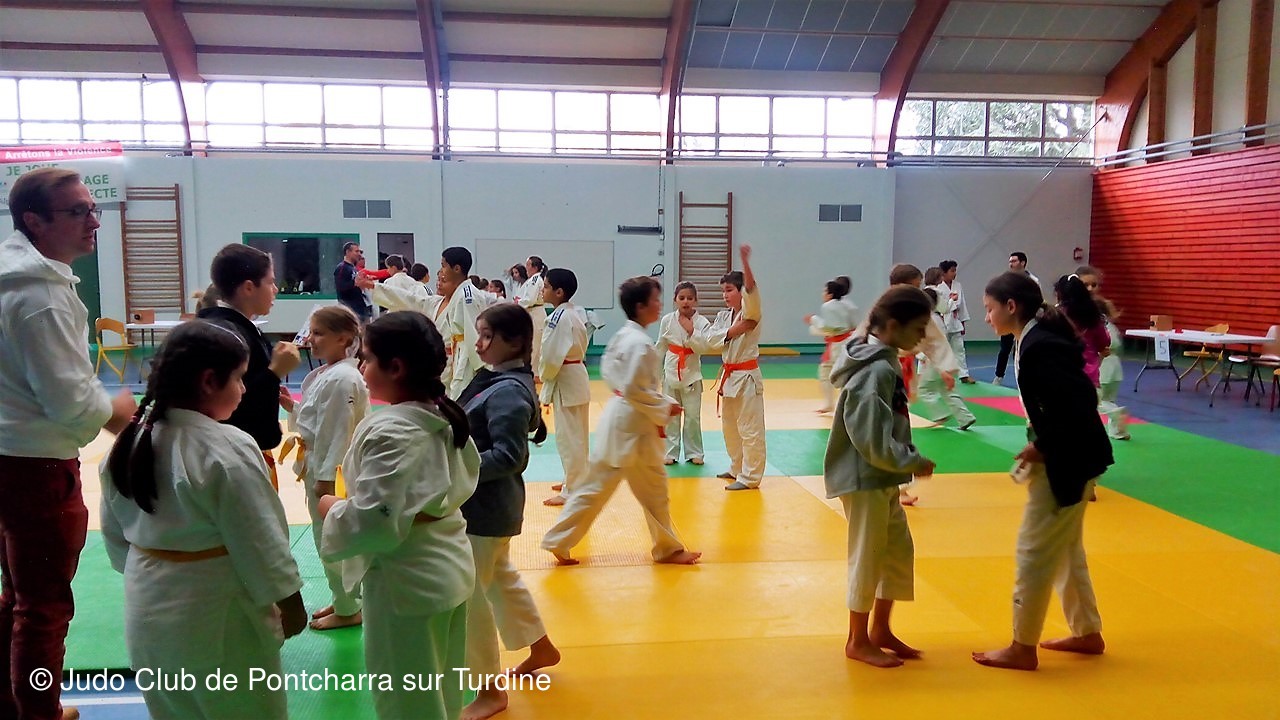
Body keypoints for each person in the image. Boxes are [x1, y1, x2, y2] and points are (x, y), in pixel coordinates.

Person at [99, 321, 306, 719]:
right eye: (239, 378)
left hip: (147, 602)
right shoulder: (227, 449)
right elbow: (261, 539)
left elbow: (116, 539)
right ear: (210, 381)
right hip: (216, 612)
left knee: (173, 709)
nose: (243, 389)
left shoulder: (130, 442)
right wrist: (290, 602)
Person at [0, 168, 137, 720]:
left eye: (92, 209)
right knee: (44, 605)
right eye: (77, 211)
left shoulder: (18, 279)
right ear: (34, 221)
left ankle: (14, 705)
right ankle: (40, 710)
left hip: (11, 455)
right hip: (36, 466)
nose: (93, 221)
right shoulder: (41, 298)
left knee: (18, 594)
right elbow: (70, 405)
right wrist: (116, 411)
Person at [317, 311, 480, 720]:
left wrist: (332, 508)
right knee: (441, 693)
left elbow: (373, 520)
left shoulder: (393, 431)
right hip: (448, 567)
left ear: (396, 367)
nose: (362, 367)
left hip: (407, 583)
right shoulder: (442, 414)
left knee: (408, 703)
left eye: (368, 358)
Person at [973, 271, 1112, 671]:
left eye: (989, 309)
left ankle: (1022, 645)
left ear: (1011, 306)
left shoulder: (1041, 346)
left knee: (1033, 550)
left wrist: (1044, 446)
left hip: (1067, 459)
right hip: (1069, 453)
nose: (986, 317)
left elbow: (1080, 403)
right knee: (1066, 550)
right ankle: (1086, 632)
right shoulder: (1032, 339)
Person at [541, 277, 701, 566]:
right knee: (650, 492)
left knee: (599, 488)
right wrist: (665, 405)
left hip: (618, 418)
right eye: (654, 300)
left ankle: (559, 540)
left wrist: (658, 403)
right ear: (640, 307)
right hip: (634, 425)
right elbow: (634, 389)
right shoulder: (641, 345)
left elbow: (613, 376)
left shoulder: (623, 336)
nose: (659, 305)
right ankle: (667, 549)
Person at [457, 304, 560, 720]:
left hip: (484, 509)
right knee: (499, 580)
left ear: (514, 342)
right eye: (479, 335)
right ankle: (541, 647)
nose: (480, 344)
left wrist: (452, 471)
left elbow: (510, 456)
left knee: (469, 598)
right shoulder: (497, 380)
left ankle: (490, 690)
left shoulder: (509, 392)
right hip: (488, 507)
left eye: (488, 336)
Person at [825, 286, 937, 668]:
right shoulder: (874, 371)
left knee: (896, 551)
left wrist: (903, 464)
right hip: (864, 477)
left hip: (883, 476)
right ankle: (856, 639)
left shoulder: (885, 361)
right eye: (917, 328)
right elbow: (870, 438)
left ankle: (880, 630)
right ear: (891, 325)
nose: (921, 337)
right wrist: (910, 461)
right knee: (868, 556)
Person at [279, 305, 370, 631]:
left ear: (343, 338)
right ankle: (344, 598)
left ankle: (349, 608)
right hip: (319, 463)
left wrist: (327, 480)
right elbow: (320, 420)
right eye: (311, 332)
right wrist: (293, 408)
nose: (310, 339)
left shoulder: (343, 378)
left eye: (319, 333)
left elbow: (338, 432)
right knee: (326, 538)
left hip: (333, 473)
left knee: (333, 540)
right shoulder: (331, 374)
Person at [198, 244, 301, 488]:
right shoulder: (229, 335)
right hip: (230, 456)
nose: (275, 289)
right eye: (270, 282)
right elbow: (233, 404)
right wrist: (274, 373)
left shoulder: (229, 327)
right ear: (248, 288)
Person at [706, 245, 766, 491]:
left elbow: (751, 288)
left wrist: (745, 262)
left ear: (741, 291)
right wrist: (732, 331)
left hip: (746, 376)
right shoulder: (725, 316)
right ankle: (737, 467)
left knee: (750, 429)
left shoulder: (752, 312)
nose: (725, 295)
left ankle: (750, 477)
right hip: (729, 376)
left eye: (729, 290)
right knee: (730, 428)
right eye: (723, 291)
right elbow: (710, 339)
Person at [537, 269, 591, 507]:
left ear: (559, 292)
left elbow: (551, 355)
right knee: (576, 436)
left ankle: (573, 490)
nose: (542, 290)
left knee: (570, 439)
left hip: (566, 378)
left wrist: (543, 376)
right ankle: (574, 480)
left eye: (546, 286)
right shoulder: (572, 313)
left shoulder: (559, 317)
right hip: (574, 375)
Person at [656, 281, 713, 465]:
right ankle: (670, 452)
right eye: (682, 298)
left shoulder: (702, 323)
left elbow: (704, 347)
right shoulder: (667, 320)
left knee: (692, 417)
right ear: (675, 300)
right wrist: (653, 372)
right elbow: (661, 346)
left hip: (692, 374)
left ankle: (695, 452)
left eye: (689, 298)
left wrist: (691, 331)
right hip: (671, 371)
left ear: (696, 300)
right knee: (670, 415)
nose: (686, 301)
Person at [1076, 266, 1129, 440]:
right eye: (1086, 285)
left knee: (1093, 401)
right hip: (1112, 364)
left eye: (1094, 285)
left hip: (1100, 365)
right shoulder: (1100, 308)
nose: (1091, 288)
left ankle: (1115, 413)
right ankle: (1117, 430)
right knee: (1107, 399)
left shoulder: (1088, 310)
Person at [436, 246, 491, 397]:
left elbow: (474, 332)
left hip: (468, 354)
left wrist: (481, 368)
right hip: (461, 350)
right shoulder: (461, 293)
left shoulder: (467, 296)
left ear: (457, 268)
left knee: (461, 395)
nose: (442, 271)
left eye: (444, 266)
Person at [806, 279, 860, 414]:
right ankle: (843, 404)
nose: (823, 293)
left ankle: (832, 404)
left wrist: (813, 320)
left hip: (837, 344)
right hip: (847, 342)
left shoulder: (829, 306)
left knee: (826, 372)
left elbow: (829, 327)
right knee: (844, 373)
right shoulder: (849, 305)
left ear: (830, 294)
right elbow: (851, 325)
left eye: (824, 291)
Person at [994, 252, 1041, 385]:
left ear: (1023, 263)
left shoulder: (1033, 281)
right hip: (1010, 318)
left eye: (1014, 261)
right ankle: (999, 376)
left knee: (1023, 349)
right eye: (1010, 261)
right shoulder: (1006, 280)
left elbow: (1037, 300)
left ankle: (1024, 378)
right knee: (1004, 349)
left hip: (1026, 319)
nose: (1011, 264)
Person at [937, 260, 975, 383]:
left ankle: (963, 375)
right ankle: (941, 375)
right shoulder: (938, 287)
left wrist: (963, 322)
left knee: (959, 350)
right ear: (944, 272)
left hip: (955, 321)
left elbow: (962, 304)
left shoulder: (957, 285)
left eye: (955, 270)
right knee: (942, 351)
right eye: (952, 271)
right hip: (942, 321)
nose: (954, 273)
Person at [516, 256, 548, 379]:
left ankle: (530, 372)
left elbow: (529, 300)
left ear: (534, 267)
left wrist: (518, 303)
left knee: (534, 344)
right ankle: (534, 373)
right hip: (532, 312)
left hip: (535, 313)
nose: (526, 268)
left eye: (528, 265)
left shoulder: (535, 279)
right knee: (534, 344)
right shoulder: (533, 280)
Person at [335, 242, 372, 323]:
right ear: (348, 252)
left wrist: (364, 281)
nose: (359, 254)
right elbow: (340, 287)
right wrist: (354, 283)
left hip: (360, 307)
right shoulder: (342, 267)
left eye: (360, 252)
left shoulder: (353, 268)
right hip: (350, 308)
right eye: (356, 251)